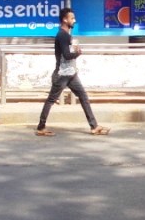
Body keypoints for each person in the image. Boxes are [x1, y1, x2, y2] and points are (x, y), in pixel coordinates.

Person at [35, 8, 109, 136]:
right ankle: (41, 128)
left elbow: (69, 53)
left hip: (71, 74)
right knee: (51, 100)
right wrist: (78, 52)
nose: (74, 20)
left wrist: (75, 50)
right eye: (72, 18)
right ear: (65, 19)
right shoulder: (62, 35)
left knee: (83, 97)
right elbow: (67, 55)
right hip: (62, 75)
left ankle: (94, 126)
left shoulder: (67, 35)